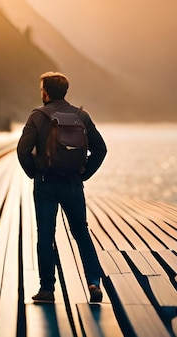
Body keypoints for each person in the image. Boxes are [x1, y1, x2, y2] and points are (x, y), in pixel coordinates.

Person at [17, 71, 107, 303]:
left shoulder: (37, 116)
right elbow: (101, 149)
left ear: (45, 92)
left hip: (46, 184)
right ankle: (93, 282)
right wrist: (84, 174)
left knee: (45, 236)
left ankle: (47, 289)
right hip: (73, 185)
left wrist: (34, 173)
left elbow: (22, 150)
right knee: (81, 233)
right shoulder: (81, 116)